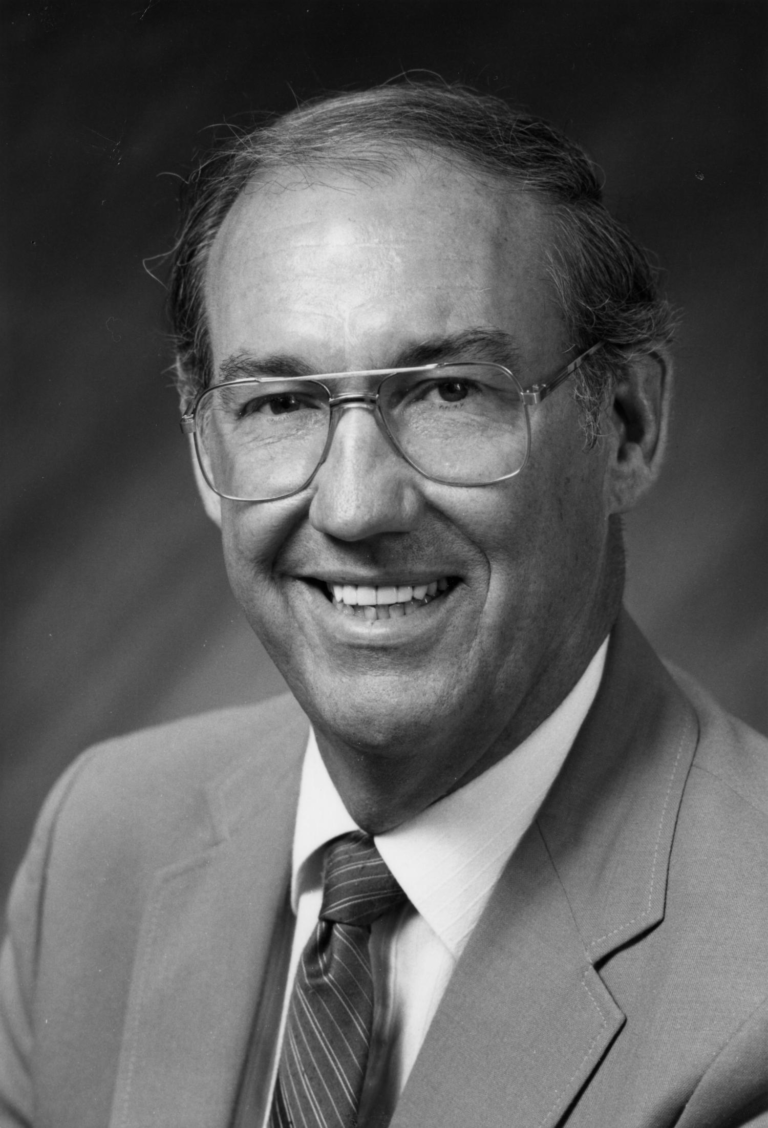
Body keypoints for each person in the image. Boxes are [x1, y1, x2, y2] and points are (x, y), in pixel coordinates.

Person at [1, 82, 766, 1128]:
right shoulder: (102, 841)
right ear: (203, 444)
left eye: (449, 391)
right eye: (280, 402)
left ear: (627, 425)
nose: (356, 505)